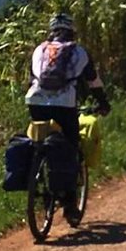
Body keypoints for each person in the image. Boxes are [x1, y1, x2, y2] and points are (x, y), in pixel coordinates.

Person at [24, 12, 110, 215]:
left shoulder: (39, 50)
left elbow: (30, 80)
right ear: (72, 31)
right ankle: (70, 201)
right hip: (65, 103)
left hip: (35, 101)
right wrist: (103, 103)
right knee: (71, 146)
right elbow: (93, 82)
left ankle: (40, 171)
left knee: (40, 140)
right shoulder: (78, 52)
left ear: (51, 31)